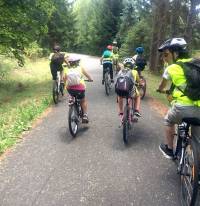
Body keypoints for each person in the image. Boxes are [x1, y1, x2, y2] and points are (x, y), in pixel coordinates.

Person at [157, 37, 200, 159]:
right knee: (197, 140)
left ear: (175, 53)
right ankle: (196, 171)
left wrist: (160, 90)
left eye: (166, 54)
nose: (164, 58)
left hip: (183, 108)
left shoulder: (171, 68)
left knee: (168, 121)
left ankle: (170, 150)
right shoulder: (196, 63)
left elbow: (162, 85)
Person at [64, 56, 93, 123]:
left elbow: (64, 79)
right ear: (77, 62)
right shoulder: (80, 68)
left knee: (72, 94)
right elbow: (87, 75)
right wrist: (90, 79)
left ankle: (71, 99)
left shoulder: (67, 70)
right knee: (83, 101)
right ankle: (85, 115)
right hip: (80, 88)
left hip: (70, 89)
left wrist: (66, 85)